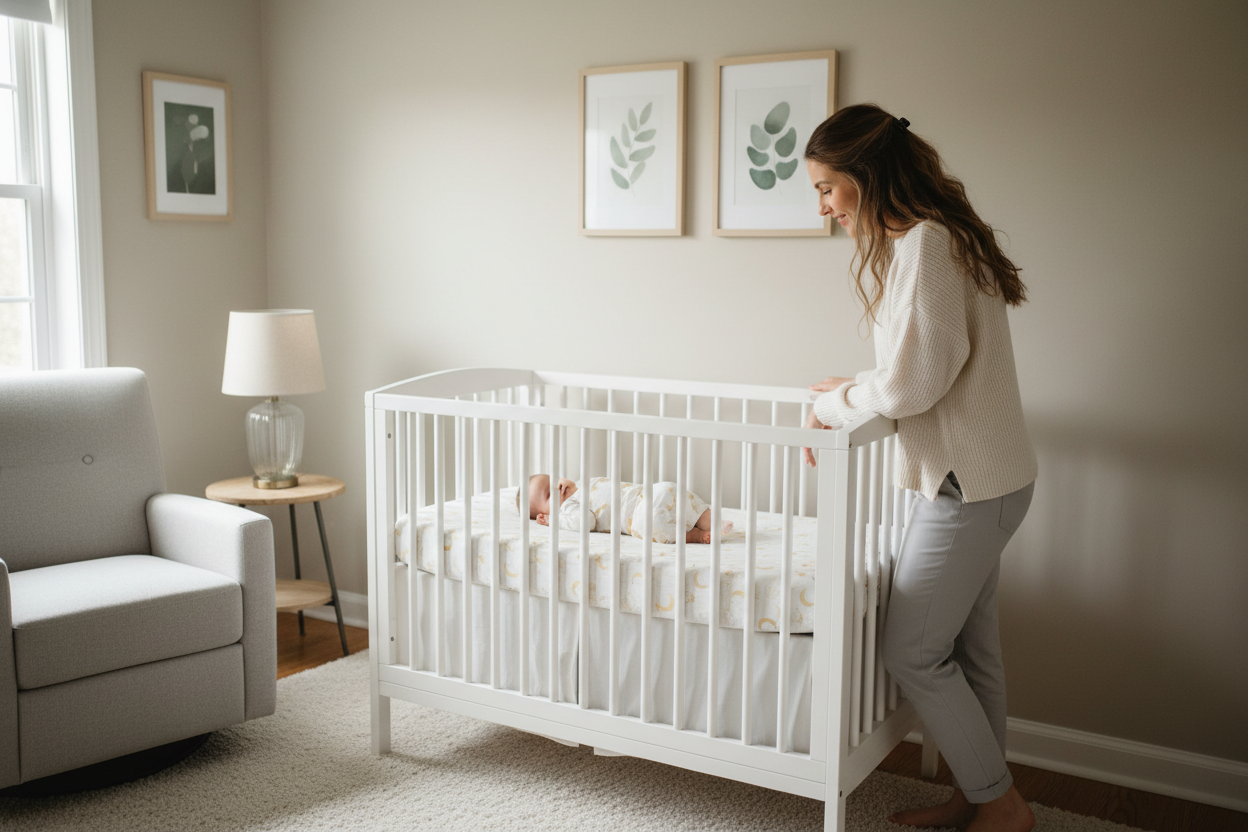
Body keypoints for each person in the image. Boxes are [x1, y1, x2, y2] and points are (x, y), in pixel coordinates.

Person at [801, 104, 1038, 832]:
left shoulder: (926, 244)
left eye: (829, 188)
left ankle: (1000, 802)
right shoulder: (939, 235)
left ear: (868, 179)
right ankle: (977, 792)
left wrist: (836, 404)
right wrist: (852, 391)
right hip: (990, 477)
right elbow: (920, 367)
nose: (826, 206)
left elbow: (912, 385)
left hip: (966, 484)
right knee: (972, 648)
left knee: (911, 649)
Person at [520, 474, 732, 545]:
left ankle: (711, 520)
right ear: (543, 515)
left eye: (554, 479)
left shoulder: (584, 480)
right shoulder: (568, 508)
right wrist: (555, 521)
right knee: (654, 527)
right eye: (549, 495)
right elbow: (587, 522)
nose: (558, 487)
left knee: (674, 491)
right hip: (639, 516)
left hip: (648, 493)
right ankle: (693, 534)